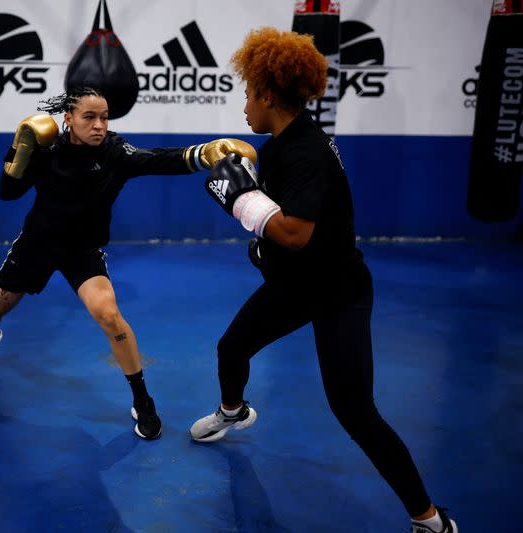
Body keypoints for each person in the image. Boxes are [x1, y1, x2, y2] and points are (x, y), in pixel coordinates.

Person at [190, 28, 458, 532]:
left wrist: (239, 201)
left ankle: (431, 519)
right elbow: (282, 226)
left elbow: (293, 233)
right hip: (295, 285)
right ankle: (233, 412)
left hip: (337, 292)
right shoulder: (278, 145)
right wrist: (259, 240)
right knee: (231, 348)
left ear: (268, 94)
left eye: (248, 92)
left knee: (354, 410)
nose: (244, 102)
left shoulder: (307, 151)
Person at [0, 86, 256, 440]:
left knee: (109, 314)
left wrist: (202, 153)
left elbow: (158, 159)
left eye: (104, 117)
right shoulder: (47, 151)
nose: (99, 125)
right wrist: (21, 148)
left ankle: (143, 401)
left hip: (82, 250)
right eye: (89, 117)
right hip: (36, 246)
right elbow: (7, 193)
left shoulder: (115, 152)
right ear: (68, 119)